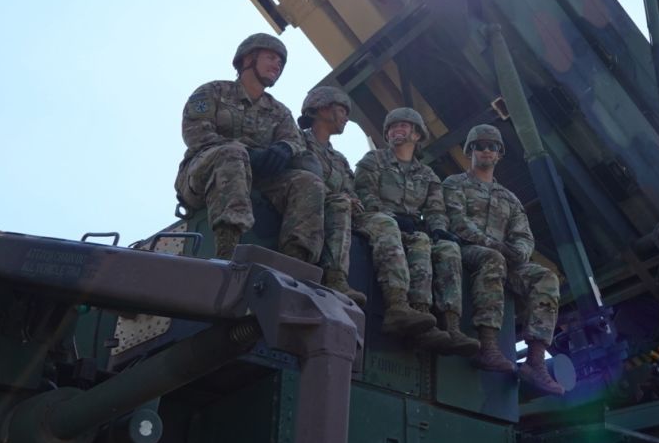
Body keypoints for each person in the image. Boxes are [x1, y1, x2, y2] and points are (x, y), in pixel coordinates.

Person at [174, 33, 325, 262]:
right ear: (248, 59)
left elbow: (295, 142)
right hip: (202, 173)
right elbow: (196, 134)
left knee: (308, 182)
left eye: (281, 62)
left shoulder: (279, 111)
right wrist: (247, 153)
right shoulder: (213, 91)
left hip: (257, 178)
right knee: (233, 153)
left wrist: (284, 149)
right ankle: (227, 252)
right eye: (271, 57)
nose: (277, 65)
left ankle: (294, 261)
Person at [442, 124, 564, 394]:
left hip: (503, 261)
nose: (486, 150)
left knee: (545, 277)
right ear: (470, 150)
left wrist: (519, 251)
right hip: (465, 253)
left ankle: (535, 361)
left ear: (499, 155)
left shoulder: (509, 199)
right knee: (492, 258)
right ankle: (488, 346)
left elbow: (523, 236)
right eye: (480, 145)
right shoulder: (454, 185)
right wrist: (494, 245)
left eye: (493, 147)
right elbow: (456, 222)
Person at [354, 108, 479, 356]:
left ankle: (443, 323)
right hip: (375, 219)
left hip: (410, 228)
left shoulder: (427, 175)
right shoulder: (374, 160)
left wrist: (440, 230)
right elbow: (363, 193)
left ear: (417, 134)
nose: (396, 130)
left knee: (444, 247)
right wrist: (389, 214)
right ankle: (397, 306)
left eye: (403, 126)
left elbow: (435, 210)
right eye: (392, 127)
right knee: (389, 226)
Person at [297, 86, 367, 307]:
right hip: (304, 207)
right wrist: (341, 198)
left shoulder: (339, 158)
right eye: (342, 111)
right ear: (323, 109)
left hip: (338, 210)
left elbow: (349, 189)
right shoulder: (297, 140)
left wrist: (353, 201)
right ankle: (335, 277)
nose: (346, 118)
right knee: (339, 203)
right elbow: (297, 175)